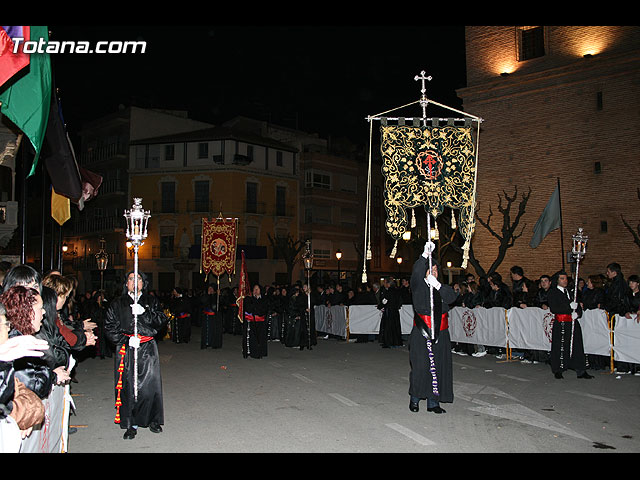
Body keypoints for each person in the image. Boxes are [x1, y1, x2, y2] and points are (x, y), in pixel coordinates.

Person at [104, 271, 168, 440]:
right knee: (128, 386)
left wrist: (144, 313)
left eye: (138, 278)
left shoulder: (152, 301)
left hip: (147, 348)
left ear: (143, 283)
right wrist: (124, 340)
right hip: (127, 349)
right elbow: (109, 326)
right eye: (131, 278)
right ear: (126, 283)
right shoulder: (117, 303)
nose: (135, 281)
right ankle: (130, 422)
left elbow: (161, 321)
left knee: (150, 386)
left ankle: (153, 419)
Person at [408, 241, 458, 414]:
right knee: (421, 366)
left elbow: (452, 298)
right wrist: (424, 256)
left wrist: (437, 285)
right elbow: (415, 274)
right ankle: (415, 398)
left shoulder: (441, 288)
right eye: (431, 269)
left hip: (441, 333)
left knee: (438, 366)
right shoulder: (418, 286)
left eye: (436, 269)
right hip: (422, 331)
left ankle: (433, 402)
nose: (434, 271)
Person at [547, 270, 593, 380]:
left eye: (566, 278)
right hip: (561, 323)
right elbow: (554, 308)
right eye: (562, 278)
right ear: (557, 280)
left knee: (577, 345)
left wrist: (577, 313)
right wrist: (569, 308)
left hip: (572, 322)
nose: (565, 281)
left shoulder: (572, 292)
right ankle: (558, 369)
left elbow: (578, 306)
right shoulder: (553, 292)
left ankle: (580, 370)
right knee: (561, 346)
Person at [242, 284, 268, 358]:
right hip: (251, 321)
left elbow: (263, 310)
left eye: (257, 289)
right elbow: (249, 309)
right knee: (252, 338)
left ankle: (260, 352)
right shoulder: (249, 299)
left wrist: (257, 310)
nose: (256, 291)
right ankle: (251, 352)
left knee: (261, 338)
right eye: (254, 289)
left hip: (261, 322)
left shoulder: (264, 299)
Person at [378, 277, 403, 348]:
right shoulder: (397, 291)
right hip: (395, 311)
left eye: (385, 282)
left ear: (388, 284)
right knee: (396, 326)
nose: (384, 284)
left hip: (389, 311)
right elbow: (400, 301)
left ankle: (389, 342)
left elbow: (385, 301)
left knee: (388, 327)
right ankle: (397, 342)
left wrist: (380, 306)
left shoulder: (389, 291)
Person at [200, 285, 222, 349]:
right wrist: (208, 295)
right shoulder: (205, 296)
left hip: (214, 317)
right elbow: (202, 301)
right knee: (206, 330)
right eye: (209, 288)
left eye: (211, 288)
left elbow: (221, 304)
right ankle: (206, 343)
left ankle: (214, 343)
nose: (210, 290)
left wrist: (219, 295)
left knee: (214, 330)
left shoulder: (216, 296)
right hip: (206, 316)